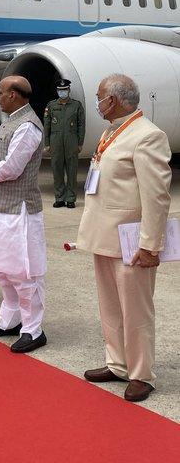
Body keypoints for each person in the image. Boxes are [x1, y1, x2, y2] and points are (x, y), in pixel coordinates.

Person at [77, 74, 171, 402]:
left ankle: (141, 373)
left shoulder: (148, 136)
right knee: (111, 308)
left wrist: (150, 244)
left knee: (136, 312)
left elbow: (157, 197)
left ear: (113, 101)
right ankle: (117, 363)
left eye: (100, 97)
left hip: (132, 242)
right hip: (104, 236)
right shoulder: (112, 132)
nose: (98, 102)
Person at [0, 76, 47, 354]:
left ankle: (33, 329)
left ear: (14, 95)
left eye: (0, 92)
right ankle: (10, 321)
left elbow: (11, 168)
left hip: (20, 210)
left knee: (24, 273)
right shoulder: (9, 120)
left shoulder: (28, 126)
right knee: (1, 269)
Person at [43, 78, 85, 208]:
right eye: (60, 90)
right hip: (55, 140)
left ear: (69, 90)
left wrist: (80, 142)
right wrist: (47, 143)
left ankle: (71, 198)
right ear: (57, 91)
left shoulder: (76, 105)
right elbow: (47, 125)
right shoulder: (51, 105)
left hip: (71, 139)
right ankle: (59, 197)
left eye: (64, 90)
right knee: (57, 169)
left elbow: (81, 125)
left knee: (72, 169)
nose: (62, 92)